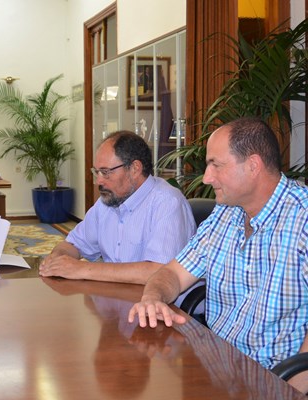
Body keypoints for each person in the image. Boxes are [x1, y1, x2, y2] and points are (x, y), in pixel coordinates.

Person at [128, 117, 308, 393]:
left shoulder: (303, 218)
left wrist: (292, 391)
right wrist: (153, 298)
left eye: (216, 165)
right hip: (215, 370)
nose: (206, 177)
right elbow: (172, 274)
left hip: (273, 379)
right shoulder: (226, 213)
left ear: (253, 165)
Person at [39, 130, 196, 298]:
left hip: (159, 309)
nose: (99, 181)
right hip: (116, 303)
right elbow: (74, 244)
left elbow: (160, 271)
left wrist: (81, 269)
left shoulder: (167, 202)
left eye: (106, 172)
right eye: (97, 172)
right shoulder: (107, 202)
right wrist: (57, 259)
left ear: (135, 168)